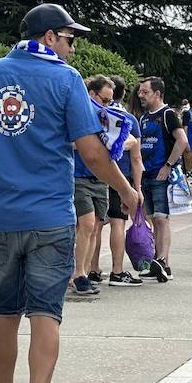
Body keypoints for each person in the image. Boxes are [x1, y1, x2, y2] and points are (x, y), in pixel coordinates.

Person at [0, 3, 139, 383]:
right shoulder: (65, 80)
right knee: (45, 314)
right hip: (51, 214)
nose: (74, 48)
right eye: (70, 39)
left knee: (5, 311)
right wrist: (127, 191)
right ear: (50, 37)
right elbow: (92, 152)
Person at [136, 76, 188, 282]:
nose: (141, 95)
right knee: (153, 220)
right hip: (146, 173)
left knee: (161, 217)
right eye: (140, 91)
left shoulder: (167, 115)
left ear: (157, 94)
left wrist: (168, 165)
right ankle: (157, 261)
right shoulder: (144, 118)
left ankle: (164, 261)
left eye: (145, 92)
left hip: (160, 174)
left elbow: (182, 140)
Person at [71, 75, 118, 295]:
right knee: (87, 224)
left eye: (110, 100)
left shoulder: (108, 117)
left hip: (100, 179)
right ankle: (79, 274)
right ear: (92, 94)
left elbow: (127, 140)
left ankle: (85, 272)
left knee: (95, 227)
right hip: (80, 176)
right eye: (105, 99)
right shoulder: (80, 114)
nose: (107, 104)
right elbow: (70, 141)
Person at [102, 75, 144, 286]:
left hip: (99, 174)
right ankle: (117, 271)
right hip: (122, 177)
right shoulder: (129, 119)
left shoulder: (98, 115)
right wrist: (137, 187)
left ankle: (91, 269)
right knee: (118, 223)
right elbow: (136, 157)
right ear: (124, 93)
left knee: (95, 226)